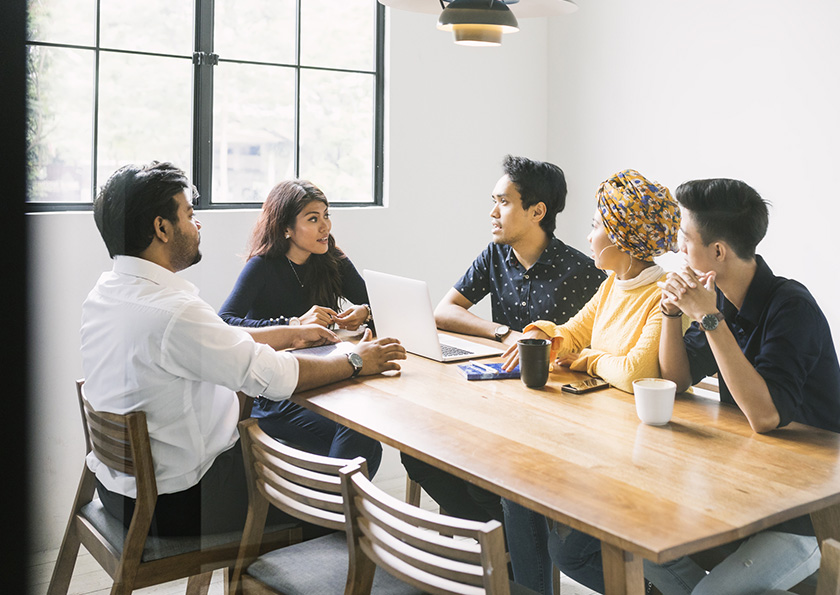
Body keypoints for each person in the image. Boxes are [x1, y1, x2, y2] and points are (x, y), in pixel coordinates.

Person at [82, 162, 405, 537]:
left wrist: (293, 331)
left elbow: (225, 338)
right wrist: (354, 360)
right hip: (184, 499)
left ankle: (331, 535)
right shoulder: (174, 312)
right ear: (161, 228)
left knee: (340, 470)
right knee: (350, 478)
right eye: (189, 214)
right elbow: (274, 375)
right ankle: (331, 555)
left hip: (118, 492)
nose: (197, 224)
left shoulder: (107, 294)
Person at [640, 178, 840, 595]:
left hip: (811, 517)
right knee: (642, 546)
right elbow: (675, 380)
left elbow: (765, 416)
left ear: (717, 252)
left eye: (685, 240)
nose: (678, 250)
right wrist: (670, 312)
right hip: (749, 494)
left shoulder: (792, 308)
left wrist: (709, 320)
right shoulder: (718, 299)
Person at [403, 155, 604, 595]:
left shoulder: (582, 272)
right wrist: (504, 332)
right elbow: (444, 310)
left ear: (537, 212)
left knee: (511, 483)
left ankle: (512, 564)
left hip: (552, 415)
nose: (493, 212)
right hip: (494, 399)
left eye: (503, 202)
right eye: (493, 201)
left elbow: (595, 349)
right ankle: (496, 542)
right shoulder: (495, 255)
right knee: (417, 453)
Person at [496, 169, 681, 595]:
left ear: (620, 237)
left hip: (632, 456)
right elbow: (574, 331)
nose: (589, 234)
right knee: (515, 491)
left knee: (554, 531)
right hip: (595, 436)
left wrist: (590, 359)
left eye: (596, 225)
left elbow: (636, 372)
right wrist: (542, 332)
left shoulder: (662, 293)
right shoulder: (615, 284)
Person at [219, 179, 385, 475]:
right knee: (360, 433)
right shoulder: (262, 266)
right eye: (313, 219)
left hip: (329, 379)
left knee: (366, 425)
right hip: (277, 395)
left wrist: (366, 312)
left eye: (326, 216)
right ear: (286, 228)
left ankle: (330, 514)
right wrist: (293, 325)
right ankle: (333, 516)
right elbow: (226, 324)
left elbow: (380, 309)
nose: (325, 227)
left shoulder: (332, 259)